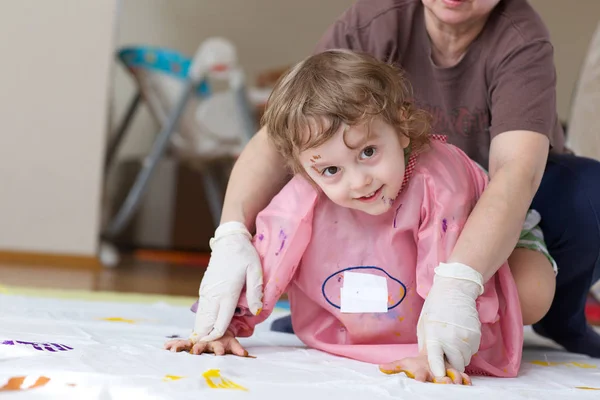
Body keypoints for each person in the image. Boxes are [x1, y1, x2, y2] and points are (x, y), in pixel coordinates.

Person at [193, 0, 600, 374]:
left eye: (366, 153)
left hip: (482, 200)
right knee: (325, 200)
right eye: (331, 169)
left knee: (535, 277)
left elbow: (516, 172)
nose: (357, 178)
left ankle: (559, 320)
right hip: (391, 200)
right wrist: (229, 264)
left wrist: (442, 335)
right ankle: (346, 313)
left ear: (403, 127)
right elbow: (285, 138)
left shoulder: (518, 40)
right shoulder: (376, 20)